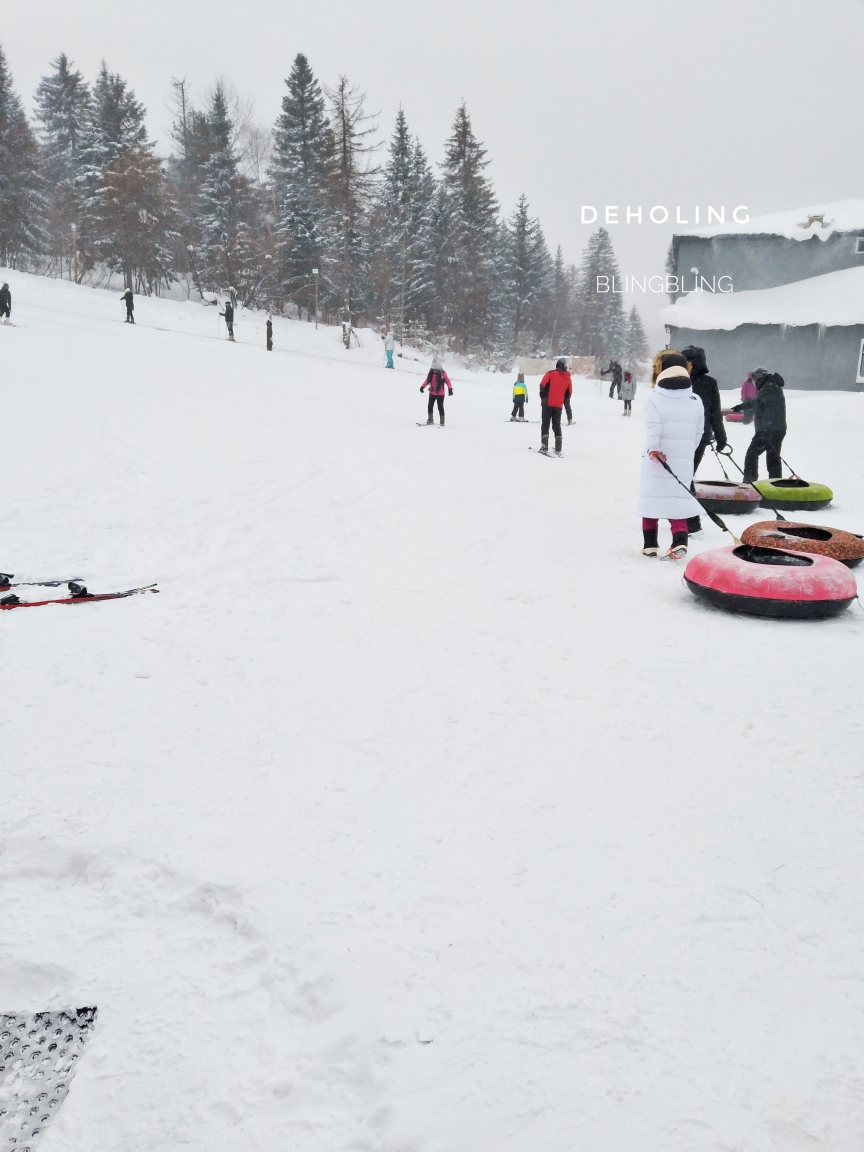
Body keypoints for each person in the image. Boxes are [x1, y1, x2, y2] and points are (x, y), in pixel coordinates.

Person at [638, 351, 705, 559]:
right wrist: (686, 452)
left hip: (657, 458)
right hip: (683, 459)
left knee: (652, 498)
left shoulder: (654, 398)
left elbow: (653, 426)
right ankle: (679, 541)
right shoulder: (695, 400)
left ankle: (650, 545)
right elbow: (698, 432)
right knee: (678, 501)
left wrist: (653, 448)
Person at [680, 345, 727, 534]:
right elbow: (716, 412)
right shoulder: (710, 382)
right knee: (686, 476)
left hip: (683, 437)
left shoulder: (679, 382)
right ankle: (687, 519)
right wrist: (721, 436)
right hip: (700, 436)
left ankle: (691, 521)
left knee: (684, 477)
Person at [731, 370, 787, 481]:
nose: (754, 383)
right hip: (777, 429)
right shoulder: (770, 386)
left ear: (759, 378)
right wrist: (741, 407)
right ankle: (775, 482)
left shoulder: (769, 387)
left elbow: (771, 408)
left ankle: (750, 482)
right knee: (773, 457)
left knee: (752, 454)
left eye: (754, 380)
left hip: (769, 430)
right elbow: (758, 401)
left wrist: (765, 427)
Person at [538, 358, 572, 456]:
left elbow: (542, 386)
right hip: (558, 406)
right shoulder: (568, 378)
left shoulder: (550, 373)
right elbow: (569, 394)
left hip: (547, 404)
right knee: (556, 425)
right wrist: (561, 400)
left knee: (545, 424)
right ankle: (558, 448)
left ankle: (544, 446)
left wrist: (544, 397)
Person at [420, 357, 453, 424]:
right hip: (432, 393)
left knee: (440, 407)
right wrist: (422, 387)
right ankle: (430, 420)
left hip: (440, 394)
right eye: (433, 369)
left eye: (436, 370)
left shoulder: (443, 373)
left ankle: (442, 421)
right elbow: (427, 380)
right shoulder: (431, 373)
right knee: (430, 406)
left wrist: (450, 389)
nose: (435, 371)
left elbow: (448, 381)